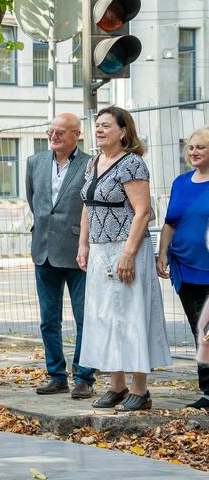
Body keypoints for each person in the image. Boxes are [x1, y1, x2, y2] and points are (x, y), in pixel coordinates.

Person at [78, 106, 171, 411]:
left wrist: (128, 253)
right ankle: (116, 386)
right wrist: (83, 245)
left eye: (106, 125)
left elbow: (143, 212)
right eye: (97, 125)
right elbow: (88, 207)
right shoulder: (94, 162)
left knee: (131, 315)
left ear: (123, 131)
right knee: (103, 317)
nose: (99, 130)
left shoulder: (132, 164)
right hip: (99, 248)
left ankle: (140, 390)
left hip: (126, 247)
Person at [25, 113, 95, 399]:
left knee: (84, 318)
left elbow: (90, 202)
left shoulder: (90, 162)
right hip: (43, 251)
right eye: (50, 131)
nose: (53, 136)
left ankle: (84, 377)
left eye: (61, 132)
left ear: (76, 134)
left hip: (79, 251)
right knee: (48, 319)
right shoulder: (34, 162)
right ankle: (56, 375)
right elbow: (35, 201)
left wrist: (84, 239)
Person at [157, 128, 209, 410]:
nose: (194, 152)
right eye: (191, 147)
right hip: (185, 267)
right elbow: (170, 222)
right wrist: (162, 252)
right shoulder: (180, 182)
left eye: (200, 147)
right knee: (199, 330)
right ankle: (208, 391)